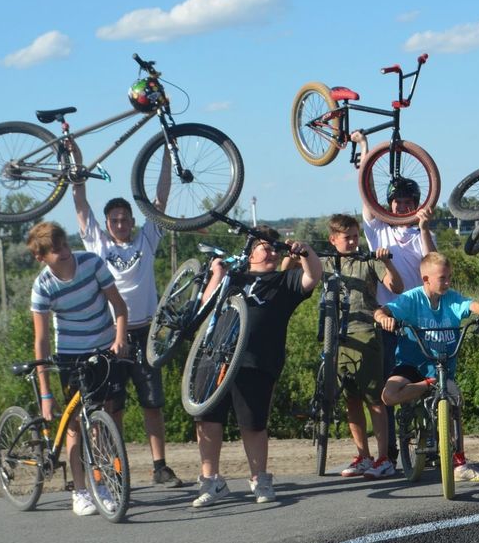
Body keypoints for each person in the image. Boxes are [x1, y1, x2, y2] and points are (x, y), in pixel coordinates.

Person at [72, 149, 184, 487]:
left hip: (145, 333)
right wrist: (75, 166)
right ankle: (113, 469)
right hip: (110, 337)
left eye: (125, 218)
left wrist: (166, 151)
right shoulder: (97, 244)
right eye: (115, 220)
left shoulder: (146, 241)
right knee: (111, 406)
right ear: (107, 224)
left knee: (153, 404)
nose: (120, 224)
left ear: (132, 221)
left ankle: (160, 467)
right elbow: (80, 204)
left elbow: (161, 199)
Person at [190, 227, 321, 507]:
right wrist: (217, 274)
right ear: (251, 252)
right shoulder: (234, 277)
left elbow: (313, 277)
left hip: (256, 360)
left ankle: (259, 478)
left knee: (253, 423)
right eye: (266, 246)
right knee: (208, 419)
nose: (272, 251)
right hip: (214, 356)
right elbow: (206, 304)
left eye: (275, 248)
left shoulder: (284, 280)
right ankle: (210, 481)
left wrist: (306, 251)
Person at [27, 221, 128, 516]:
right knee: (75, 426)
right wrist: (45, 396)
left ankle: (105, 484)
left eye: (66, 247)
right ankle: (80, 491)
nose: (66, 254)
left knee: (104, 416)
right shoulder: (42, 286)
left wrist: (120, 338)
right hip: (70, 356)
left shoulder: (91, 263)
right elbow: (42, 341)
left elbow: (119, 307)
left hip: (104, 348)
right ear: (41, 257)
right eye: (57, 252)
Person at [354, 131, 436, 469]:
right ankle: (389, 451)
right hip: (390, 316)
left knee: (430, 377)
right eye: (397, 202)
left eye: (407, 201)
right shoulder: (378, 229)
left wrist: (426, 227)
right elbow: (365, 190)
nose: (401, 206)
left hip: (420, 315)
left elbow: (432, 262)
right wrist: (363, 150)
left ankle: (432, 436)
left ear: (416, 203)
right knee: (390, 381)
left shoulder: (421, 232)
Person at [375, 252, 479, 482]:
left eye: (449, 277)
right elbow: (382, 311)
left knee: (454, 403)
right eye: (443, 278)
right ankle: (426, 386)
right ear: (426, 279)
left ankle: (459, 462)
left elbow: (469, 304)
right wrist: (383, 319)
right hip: (413, 365)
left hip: (442, 366)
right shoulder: (411, 299)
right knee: (389, 396)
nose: (448, 282)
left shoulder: (451, 298)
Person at [321, 214, 404, 479]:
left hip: (366, 333)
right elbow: (293, 270)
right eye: (348, 238)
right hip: (336, 339)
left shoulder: (366, 261)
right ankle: (363, 455)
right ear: (333, 239)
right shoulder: (326, 262)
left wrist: (386, 263)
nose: (354, 242)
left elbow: (397, 287)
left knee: (374, 399)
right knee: (351, 399)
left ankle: (384, 458)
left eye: (356, 236)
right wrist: (294, 251)